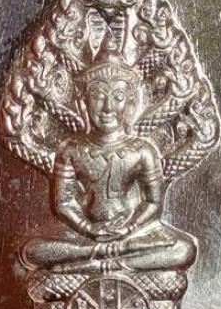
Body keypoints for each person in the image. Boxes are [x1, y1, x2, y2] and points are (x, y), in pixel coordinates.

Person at [20, 54, 197, 273]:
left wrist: (129, 227)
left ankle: (101, 262)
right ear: (83, 102)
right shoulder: (71, 149)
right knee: (32, 251)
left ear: (130, 103)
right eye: (98, 96)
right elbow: (64, 203)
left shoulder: (142, 150)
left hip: (130, 234)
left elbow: (153, 203)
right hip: (84, 235)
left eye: (118, 97)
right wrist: (88, 228)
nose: (108, 107)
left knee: (184, 249)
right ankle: (103, 254)